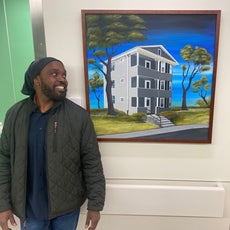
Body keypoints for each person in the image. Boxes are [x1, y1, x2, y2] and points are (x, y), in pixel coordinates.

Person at [0, 57, 105, 230]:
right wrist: (3, 204)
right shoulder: (15, 115)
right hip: (29, 210)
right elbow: (3, 161)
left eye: (64, 74)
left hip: (66, 210)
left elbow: (92, 162)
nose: (62, 78)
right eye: (54, 74)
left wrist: (95, 205)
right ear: (36, 80)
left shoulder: (79, 117)